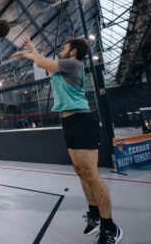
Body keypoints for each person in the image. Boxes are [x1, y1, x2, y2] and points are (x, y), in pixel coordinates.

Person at [11, 37, 123, 244]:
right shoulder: (60, 68)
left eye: (64, 47)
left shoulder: (73, 64)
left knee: (92, 175)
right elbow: (40, 61)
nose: (61, 50)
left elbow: (42, 61)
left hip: (81, 121)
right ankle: (94, 214)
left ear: (73, 52)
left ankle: (110, 227)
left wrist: (31, 47)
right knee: (81, 172)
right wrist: (25, 55)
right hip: (69, 123)